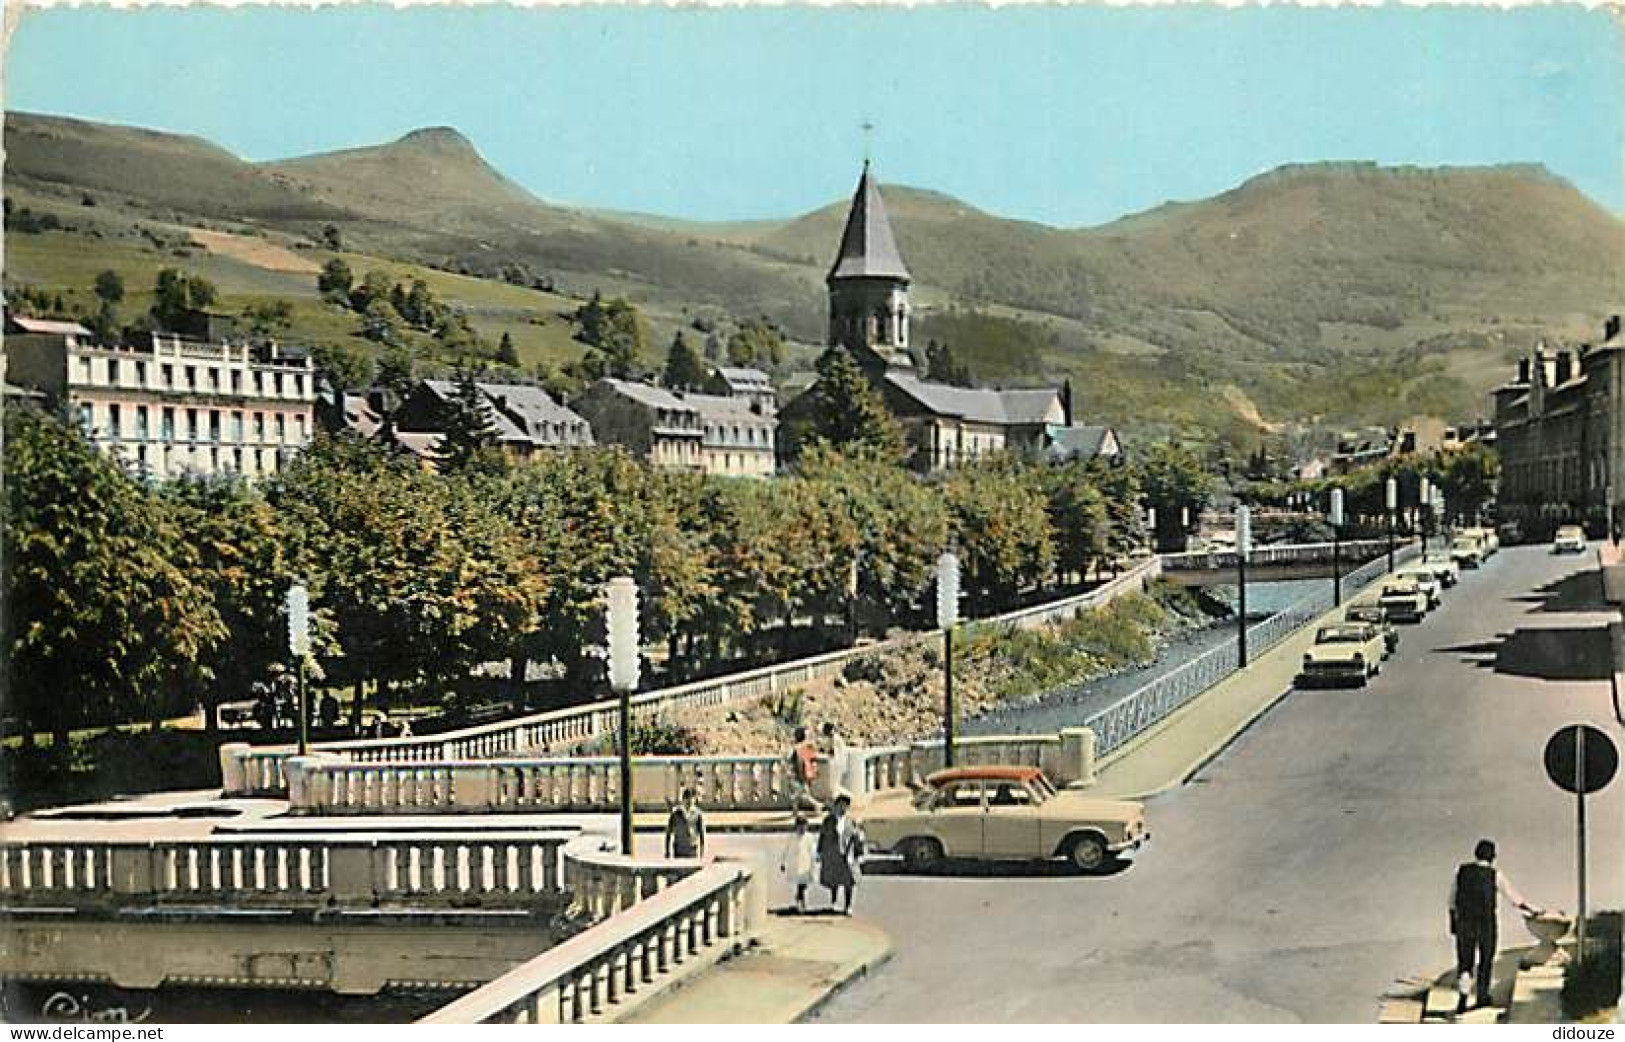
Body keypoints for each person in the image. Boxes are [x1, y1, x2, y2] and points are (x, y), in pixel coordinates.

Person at [1449, 839, 1541, 1012]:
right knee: (1485, 960)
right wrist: (1532, 910)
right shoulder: (1495, 874)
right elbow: (1513, 897)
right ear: (1492, 856)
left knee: (1465, 963)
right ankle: (1482, 996)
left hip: (1465, 923)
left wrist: (1453, 923)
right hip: (1486, 923)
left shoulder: (1461, 872)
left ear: (1476, 854)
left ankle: (1462, 998)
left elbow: (1452, 901)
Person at [817, 792, 863, 914]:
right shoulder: (828, 820)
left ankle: (848, 906)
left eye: (845, 806)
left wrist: (859, 854)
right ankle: (834, 902)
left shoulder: (851, 822)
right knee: (834, 879)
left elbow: (857, 838)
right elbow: (822, 836)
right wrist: (820, 852)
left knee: (849, 881)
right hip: (833, 854)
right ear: (836, 806)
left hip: (848, 855)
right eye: (840, 805)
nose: (843, 808)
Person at [779, 813, 818, 914]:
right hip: (795, 863)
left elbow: (813, 850)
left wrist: (816, 859)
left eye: (804, 826)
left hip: (806, 863)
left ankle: (799, 899)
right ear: (796, 827)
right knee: (800, 884)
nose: (802, 828)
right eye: (800, 826)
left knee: (804, 884)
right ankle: (801, 902)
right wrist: (783, 863)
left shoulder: (810, 837)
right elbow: (785, 850)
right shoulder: (791, 837)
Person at [665, 787, 707, 859]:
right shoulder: (676, 814)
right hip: (679, 849)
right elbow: (668, 833)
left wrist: (702, 852)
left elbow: (702, 833)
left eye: (692, 799)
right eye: (687, 799)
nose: (689, 802)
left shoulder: (698, 814)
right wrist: (667, 851)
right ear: (683, 800)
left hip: (692, 849)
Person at [788, 726, 820, 811]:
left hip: (798, 774)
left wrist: (800, 775)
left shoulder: (798, 747)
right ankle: (795, 812)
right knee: (797, 795)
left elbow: (799, 762)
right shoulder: (809, 746)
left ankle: (817, 805)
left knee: (801, 794)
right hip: (805, 773)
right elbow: (813, 760)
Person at [822, 722, 848, 793]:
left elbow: (832, 752)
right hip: (837, 763)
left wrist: (824, 751)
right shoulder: (833, 738)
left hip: (837, 764)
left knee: (834, 785)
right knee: (834, 785)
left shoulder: (835, 738)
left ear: (828, 730)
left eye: (824, 730)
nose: (823, 731)